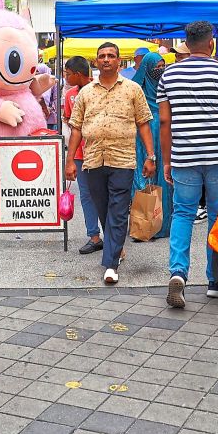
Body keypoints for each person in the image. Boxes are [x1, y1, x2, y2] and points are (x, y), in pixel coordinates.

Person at [157, 21, 218, 306]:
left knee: (183, 214)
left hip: (184, 158)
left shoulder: (169, 75)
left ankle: (178, 273)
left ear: (186, 44)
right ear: (211, 43)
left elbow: (165, 121)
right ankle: (216, 280)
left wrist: (167, 160)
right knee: (217, 216)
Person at [65, 42, 155, 286]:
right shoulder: (86, 93)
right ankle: (116, 248)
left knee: (117, 208)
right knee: (103, 208)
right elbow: (76, 129)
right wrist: (70, 161)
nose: (106, 59)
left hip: (123, 158)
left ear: (118, 61)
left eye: (111, 56)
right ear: (96, 61)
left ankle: (110, 264)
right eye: (102, 56)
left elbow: (144, 123)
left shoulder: (133, 89)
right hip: (93, 159)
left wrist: (150, 155)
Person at [62, 56, 103, 255]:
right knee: (86, 195)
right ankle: (94, 236)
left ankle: (113, 235)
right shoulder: (69, 95)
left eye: (68, 74)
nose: (66, 77)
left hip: (101, 151)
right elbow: (70, 123)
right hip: (79, 153)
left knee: (105, 194)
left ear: (78, 74)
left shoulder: (99, 89)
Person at [131, 51, 173, 239]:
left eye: (162, 66)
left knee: (165, 179)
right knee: (143, 178)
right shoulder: (136, 93)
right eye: (156, 67)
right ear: (147, 69)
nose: (160, 70)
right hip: (144, 137)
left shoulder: (167, 89)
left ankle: (162, 225)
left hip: (164, 138)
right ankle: (143, 226)